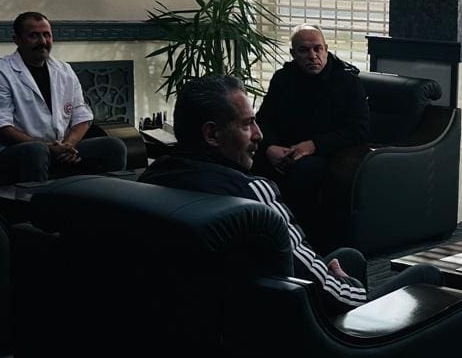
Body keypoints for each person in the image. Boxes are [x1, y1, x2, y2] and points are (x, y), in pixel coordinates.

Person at [142, 75, 440, 314]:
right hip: (299, 343)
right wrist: (349, 285)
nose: (259, 134)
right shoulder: (252, 196)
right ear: (211, 134)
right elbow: (338, 298)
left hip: (210, 329)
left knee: (349, 257)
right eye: (247, 124)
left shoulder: (148, 183)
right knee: (426, 274)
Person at [252, 24, 369, 239]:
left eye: (317, 49)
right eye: (304, 50)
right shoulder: (283, 78)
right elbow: (263, 121)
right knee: (246, 162)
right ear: (293, 54)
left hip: (326, 153)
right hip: (283, 149)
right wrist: (270, 147)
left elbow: (358, 131)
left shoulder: (348, 82)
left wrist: (313, 145)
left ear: (326, 49)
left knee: (302, 172)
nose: (312, 56)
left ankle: (300, 240)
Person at [0, 12, 126, 182]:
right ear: (17, 40)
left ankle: (109, 197)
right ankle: (39, 199)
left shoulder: (64, 70)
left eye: (47, 35)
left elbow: (81, 116)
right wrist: (48, 148)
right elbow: (2, 127)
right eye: (34, 36)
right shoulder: (0, 73)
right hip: (16, 152)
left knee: (113, 146)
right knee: (36, 151)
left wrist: (68, 145)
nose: (43, 41)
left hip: (61, 147)